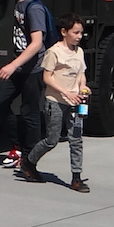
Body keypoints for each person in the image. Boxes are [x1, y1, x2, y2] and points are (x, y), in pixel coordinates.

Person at [0, 0, 47, 174]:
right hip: (18, 66)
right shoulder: (17, 2)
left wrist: (12, 65)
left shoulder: (34, 7)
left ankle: (29, 158)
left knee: (30, 113)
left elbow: (36, 44)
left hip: (32, 69)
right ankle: (18, 145)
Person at [28, 12, 90, 192]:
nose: (79, 37)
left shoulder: (79, 52)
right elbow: (47, 77)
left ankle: (76, 178)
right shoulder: (54, 52)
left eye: (81, 33)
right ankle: (29, 162)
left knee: (76, 139)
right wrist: (65, 92)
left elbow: (81, 74)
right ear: (64, 32)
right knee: (52, 139)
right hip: (55, 100)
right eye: (75, 33)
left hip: (75, 102)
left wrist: (83, 87)